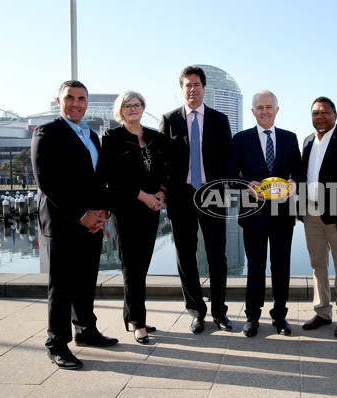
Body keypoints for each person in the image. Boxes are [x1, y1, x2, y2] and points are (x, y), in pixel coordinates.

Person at [31, 80, 118, 370]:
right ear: (59, 101)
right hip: (63, 221)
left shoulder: (91, 134)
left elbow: (98, 178)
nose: (76, 103)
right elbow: (47, 181)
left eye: (81, 98)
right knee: (62, 286)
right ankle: (56, 344)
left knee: (85, 280)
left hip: (92, 220)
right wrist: (82, 214)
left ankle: (86, 330)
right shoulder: (47, 132)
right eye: (70, 98)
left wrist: (102, 211)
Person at [160, 66, 233, 334]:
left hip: (212, 195)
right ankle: (195, 311)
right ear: (182, 89)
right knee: (186, 256)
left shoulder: (219, 119)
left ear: (204, 88)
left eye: (197, 84)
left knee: (217, 256)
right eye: (187, 85)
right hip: (181, 197)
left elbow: (228, 159)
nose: (192, 89)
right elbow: (163, 161)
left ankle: (220, 312)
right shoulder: (169, 120)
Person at [228, 90, 301, 337]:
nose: (265, 111)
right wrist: (246, 184)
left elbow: (299, 173)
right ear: (252, 112)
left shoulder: (290, 139)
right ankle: (252, 317)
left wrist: (294, 184)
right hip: (253, 215)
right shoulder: (240, 139)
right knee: (255, 268)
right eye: (259, 107)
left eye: (269, 106)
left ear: (277, 110)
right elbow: (230, 176)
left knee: (281, 268)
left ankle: (280, 316)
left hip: (283, 215)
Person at [100, 91, 169, 344]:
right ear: (121, 110)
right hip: (127, 209)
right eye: (128, 105)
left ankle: (131, 315)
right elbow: (112, 177)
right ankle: (138, 323)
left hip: (152, 210)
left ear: (143, 107)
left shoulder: (154, 137)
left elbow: (164, 169)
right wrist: (144, 196)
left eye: (137, 104)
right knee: (131, 266)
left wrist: (161, 192)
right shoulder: (112, 137)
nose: (133, 108)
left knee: (143, 266)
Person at [300, 96, 337, 338]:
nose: (320, 117)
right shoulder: (306, 141)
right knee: (318, 265)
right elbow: (302, 177)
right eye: (315, 113)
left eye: (325, 112)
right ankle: (322, 312)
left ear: (335, 115)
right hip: (310, 213)